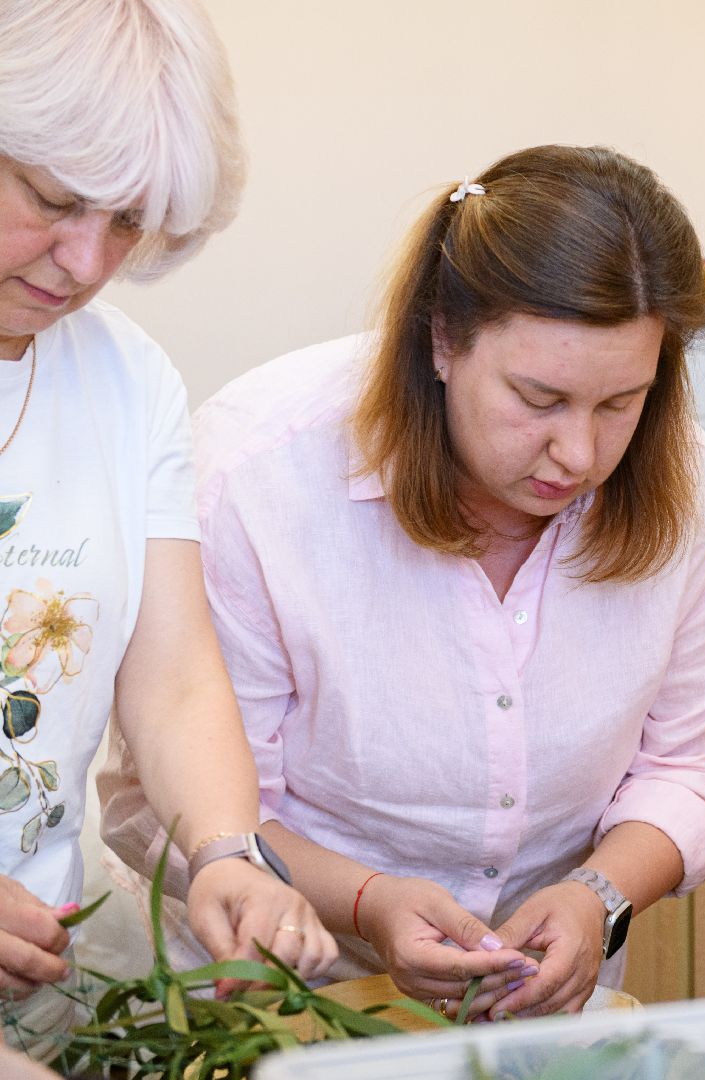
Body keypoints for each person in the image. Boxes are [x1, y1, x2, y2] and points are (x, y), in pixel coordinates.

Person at [100, 144, 705, 1023]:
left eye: (620, 404)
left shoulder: (691, 487)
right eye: (539, 399)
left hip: (534, 1012)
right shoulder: (259, 475)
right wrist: (370, 900)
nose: (579, 454)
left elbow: (696, 761)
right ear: (443, 339)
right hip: (271, 998)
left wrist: (598, 895)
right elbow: (190, 801)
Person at [0, 0, 338, 1056]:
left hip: (40, 986)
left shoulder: (125, 378)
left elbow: (175, 672)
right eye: (55, 202)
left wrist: (226, 852)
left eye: (131, 224)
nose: (87, 261)